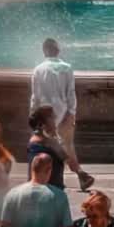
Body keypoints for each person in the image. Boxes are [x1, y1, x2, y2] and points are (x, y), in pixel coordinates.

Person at [30, 38, 93, 190]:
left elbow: (35, 96)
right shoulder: (67, 68)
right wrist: (71, 112)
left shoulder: (38, 69)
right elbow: (71, 93)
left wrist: (33, 116)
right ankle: (80, 174)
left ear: (44, 51)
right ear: (58, 51)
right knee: (67, 146)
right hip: (64, 112)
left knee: (50, 147)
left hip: (45, 116)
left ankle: (55, 178)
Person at [26, 105, 93, 191]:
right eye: (52, 118)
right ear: (42, 124)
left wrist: (80, 172)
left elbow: (66, 158)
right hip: (47, 192)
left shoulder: (47, 141)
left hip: (50, 190)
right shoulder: (41, 144)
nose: (55, 122)